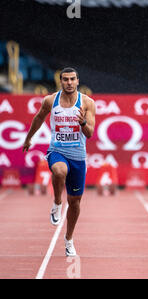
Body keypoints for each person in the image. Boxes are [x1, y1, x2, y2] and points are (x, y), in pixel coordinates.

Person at [23, 67, 96, 257]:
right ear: (60, 81)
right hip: (57, 150)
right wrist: (28, 138)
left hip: (78, 156)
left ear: (78, 81)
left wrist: (81, 123)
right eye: (65, 79)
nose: (69, 83)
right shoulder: (50, 100)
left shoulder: (87, 103)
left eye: (72, 79)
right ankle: (56, 203)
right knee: (59, 171)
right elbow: (39, 118)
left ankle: (69, 239)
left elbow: (89, 133)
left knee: (75, 202)